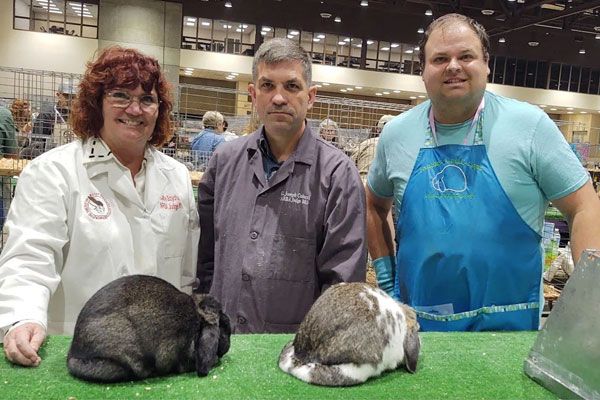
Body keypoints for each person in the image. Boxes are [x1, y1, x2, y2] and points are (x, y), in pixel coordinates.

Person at [366, 13, 600, 332]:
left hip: (509, 332)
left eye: (466, 56)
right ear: (422, 70)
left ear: (486, 63)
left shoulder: (529, 126)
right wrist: (385, 277)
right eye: (440, 58)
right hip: (419, 329)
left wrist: (588, 295)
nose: (453, 66)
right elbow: (372, 205)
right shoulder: (396, 134)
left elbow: (585, 205)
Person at [0, 46, 200, 367]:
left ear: (159, 110)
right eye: (120, 95)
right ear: (97, 103)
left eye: (147, 99)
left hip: (158, 357)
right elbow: (29, 259)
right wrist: (23, 317)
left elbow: (186, 273)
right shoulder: (54, 172)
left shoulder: (176, 176)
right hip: (78, 355)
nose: (135, 109)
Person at [196, 38, 367, 334]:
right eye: (267, 86)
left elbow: (342, 285)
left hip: (295, 354)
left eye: (291, 86)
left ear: (310, 96)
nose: (278, 98)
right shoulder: (224, 162)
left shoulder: (337, 175)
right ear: (252, 94)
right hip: (224, 349)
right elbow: (205, 260)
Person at [30, 82, 76, 153]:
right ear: (58, 95)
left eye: (73, 97)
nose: (70, 100)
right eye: (66, 96)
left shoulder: (78, 116)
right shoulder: (46, 115)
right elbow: (36, 142)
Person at [352, 114, 394, 182]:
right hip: (380, 186)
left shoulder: (365, 143)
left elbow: (352, 162)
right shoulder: (397, 147)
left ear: (378, 129)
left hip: (360, 182)